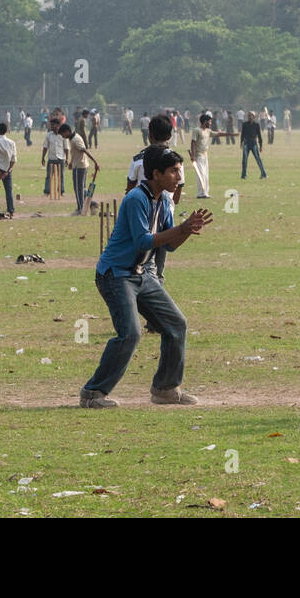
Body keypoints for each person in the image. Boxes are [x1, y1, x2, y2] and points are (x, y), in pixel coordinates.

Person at [80, 146, 213, 409]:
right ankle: (92, 393)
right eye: (174, 171)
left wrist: (187, 230)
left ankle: (166, 389)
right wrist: (181, 228)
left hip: (143, 274)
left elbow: (169, 245)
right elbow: (143, 241)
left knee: (176, 324)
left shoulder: (165, 201)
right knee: (130, 333)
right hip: (115, 276)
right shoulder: (135, 199)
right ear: (155, 173)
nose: (178, 177)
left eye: (179, 171)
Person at [62, 122, 99, 215]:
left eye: (63, 134)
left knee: (78, 188)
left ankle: (80, 209)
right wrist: (71, 162)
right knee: (82, 188)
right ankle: (92, 204)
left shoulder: (75, 139)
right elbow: (76, 153)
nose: (63, 136)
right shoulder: (72, 138)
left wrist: (95, 162)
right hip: (79, 165)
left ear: (67, 131)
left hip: (80, 167)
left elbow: (84, 151)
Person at [190, 112, 213, 199]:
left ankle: (205, 192)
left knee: (206, 175)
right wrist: (193, 155)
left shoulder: (208, 131)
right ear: (205, 121)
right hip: (198, 156)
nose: (210, 123)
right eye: (209, 122)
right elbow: (193, 142)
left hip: (205, 156)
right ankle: (200, 193)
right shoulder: (197, 130)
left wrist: (230, 134)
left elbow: (217, 134)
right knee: (200, 174)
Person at [41, 118, 66, 197]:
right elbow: (45, 147)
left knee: (61, 176)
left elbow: (66, 148)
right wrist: (43, 157)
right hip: (51, 158)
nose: (51, 126)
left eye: (53, 124)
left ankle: (61, 191)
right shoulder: (49, 135)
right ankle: (47, 191)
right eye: (50, 124)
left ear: (58, 125)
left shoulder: (63, 135)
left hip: (61, 158)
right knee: (49, 176)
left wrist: (67, 159)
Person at [240, 108, 267, 179]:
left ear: (253, 116)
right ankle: (244, 175)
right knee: (244, 160)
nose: (249, 117)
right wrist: (241, 142)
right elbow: (242, 134)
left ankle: (263, 174)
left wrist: (261, 145)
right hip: (246, 143)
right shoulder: (244, 124)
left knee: (258, 159)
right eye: (248, 116)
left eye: (251, 115)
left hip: (253, 143)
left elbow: (259, 135)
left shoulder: (256, 125)